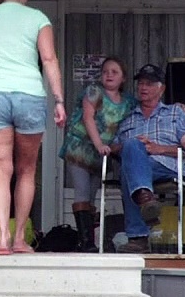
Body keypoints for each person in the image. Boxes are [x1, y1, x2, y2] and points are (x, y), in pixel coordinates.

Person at [0, 0, 67, 255]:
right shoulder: (38, 18)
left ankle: (2, 239)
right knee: (26, 170)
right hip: (29, 95)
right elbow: (49, 60)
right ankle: (20, 239)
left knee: (0, 171)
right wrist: (59, 100)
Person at [109, 64, 185, 254]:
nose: (143, 88)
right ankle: (146, 198)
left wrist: (158, 148)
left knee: (129, 171)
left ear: (161, 88)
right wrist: (133, 147)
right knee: (131, 152)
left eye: (149, 84)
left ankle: (138, 238)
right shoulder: (128, 118)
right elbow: (113, 148)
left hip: (168, 166)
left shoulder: (175, 113)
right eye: (141, 83)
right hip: (137, 166)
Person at [58, 57, 136, 252]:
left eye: (114, 72)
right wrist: (99, 143)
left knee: (92, 195)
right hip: (81, 148)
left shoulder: (128, 102)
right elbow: (88, 118)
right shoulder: (94, 92)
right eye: (105, 71)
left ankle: (86, 240)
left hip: (101, 154)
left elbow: (142, 110)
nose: (109, 75)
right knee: (82, 191)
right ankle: (86, 242)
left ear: (123, 78)